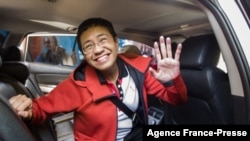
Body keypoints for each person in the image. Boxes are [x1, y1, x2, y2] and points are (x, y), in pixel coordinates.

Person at [9, 17, 187, 141]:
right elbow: (42, 107)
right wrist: (28, 108)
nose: (98, 49)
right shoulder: (78, 83)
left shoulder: (139, 69)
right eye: (89, 46)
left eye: (103, 40)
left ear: (116, 42)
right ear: (84, 54)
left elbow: (177, 100)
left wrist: (172, 80)